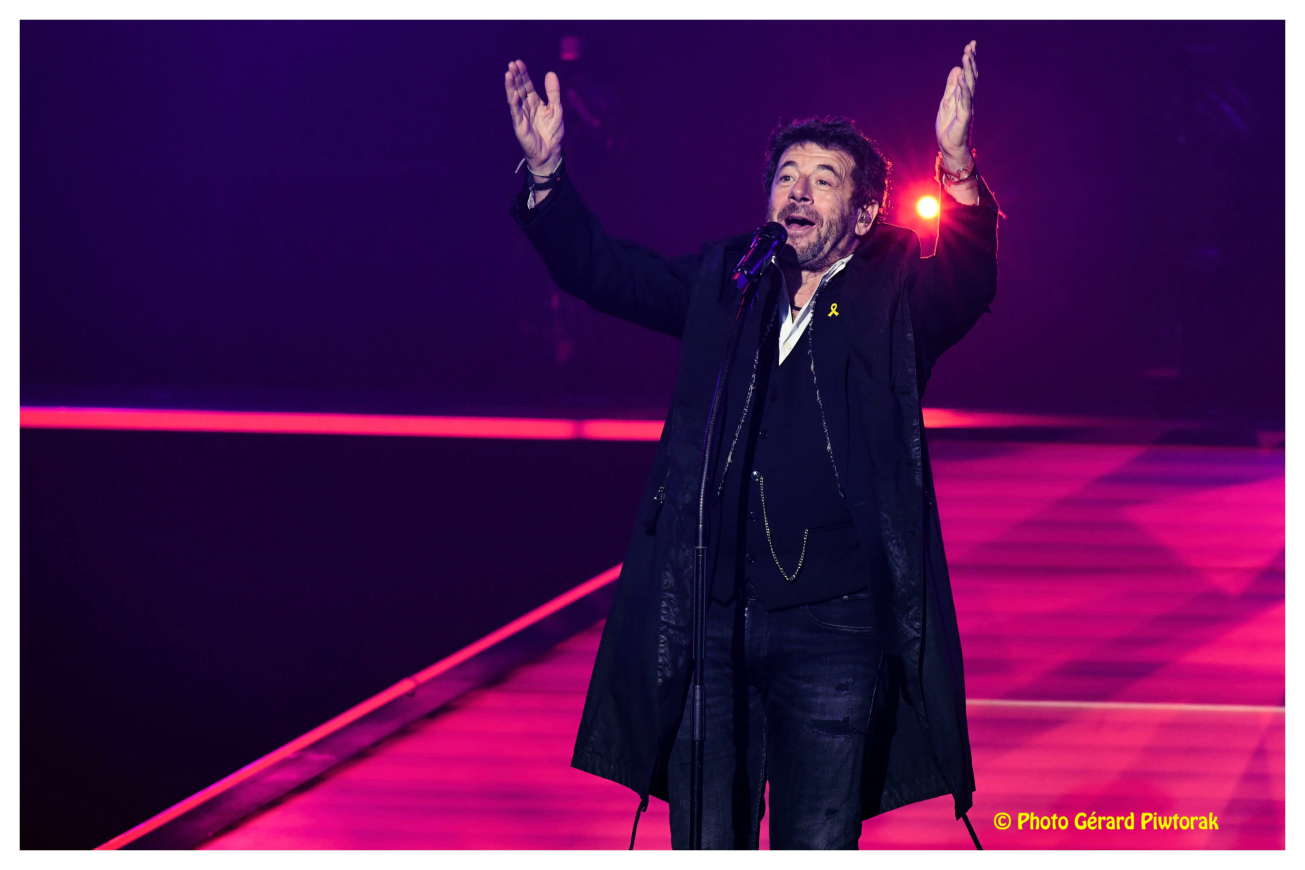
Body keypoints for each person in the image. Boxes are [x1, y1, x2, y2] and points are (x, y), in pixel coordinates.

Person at [504, 40, 998, 850]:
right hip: (713, 622)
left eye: (822, 180)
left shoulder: (894, 296)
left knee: (815, 841)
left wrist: (955, 164)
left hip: (836, 629)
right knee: (707, 839)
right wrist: (547, 176)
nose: (796, 192)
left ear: (864, 214)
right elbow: (605, 272)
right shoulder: (728, 280)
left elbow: (968, 281)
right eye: (785, 177)